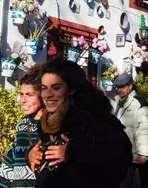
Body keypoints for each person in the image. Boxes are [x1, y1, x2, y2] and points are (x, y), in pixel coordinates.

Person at [25, 59, 132, 188]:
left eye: (56, 88)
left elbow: (121, 156)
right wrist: (31, 155)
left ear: (71, 89)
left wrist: (75, 152)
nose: (48, 95)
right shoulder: (45, 122)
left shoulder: (95, 119)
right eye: (44, 88)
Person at [0, 65, 44, 188]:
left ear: (42, 96)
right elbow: (12, 157)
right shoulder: (22, 123)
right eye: (21, 94)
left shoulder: (51, 125)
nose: (23, 100)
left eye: (29, 95)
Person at [111, 73, 148, 188]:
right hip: (114, 153)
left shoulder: (139, 104)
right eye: (117, 87)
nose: (119, 90)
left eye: (122, 87)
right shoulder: (115, 102)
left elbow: (144, 128)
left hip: (130, 154)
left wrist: (142, 152)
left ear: (130, 86)